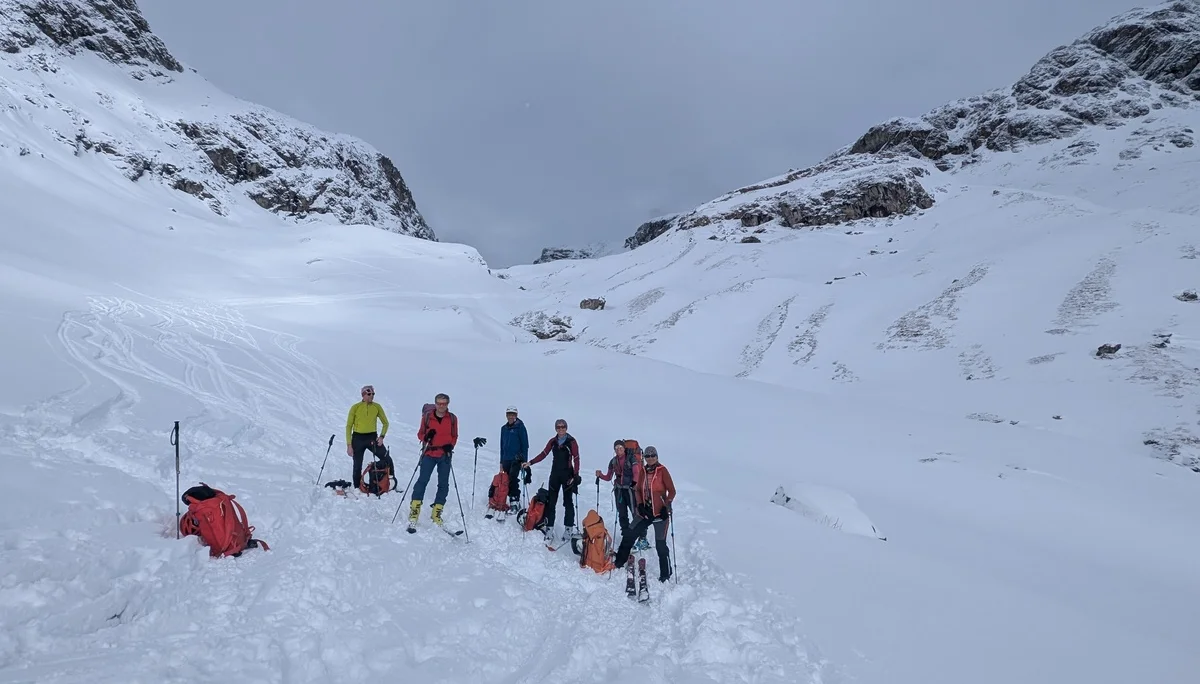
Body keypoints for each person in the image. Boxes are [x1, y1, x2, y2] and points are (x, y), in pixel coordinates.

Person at [613, 445, 676, 582]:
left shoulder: (662, 471)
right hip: (645, 512)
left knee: (661, 545)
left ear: (657, 456)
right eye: (648, 456)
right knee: (629, 534)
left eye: (653, 455)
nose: (650, 458)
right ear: (645, 458)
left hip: (660, 514)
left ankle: (665, 573)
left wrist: (667, 505)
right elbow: (637, 490)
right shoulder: (643, 471)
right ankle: (619, 562)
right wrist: (640, 505)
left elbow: (671, 491)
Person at [522, 418, 581, 541]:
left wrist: (575, 476)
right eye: (558, 427)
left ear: (566, 428)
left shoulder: (572, 442)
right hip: (555, 475)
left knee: (568, 502)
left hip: (567, 476)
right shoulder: (553, 441)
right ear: (555, 429)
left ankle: (569, 528)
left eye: (563, 427)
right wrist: (530, 463)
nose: (561, 429)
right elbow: (544, 454)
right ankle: (549, 528)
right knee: (552, 503)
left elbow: (576, 458)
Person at [408, 393, 459, 526]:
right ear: (435, 404)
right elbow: (420, 434)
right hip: (429, 454)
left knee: (443, 484)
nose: (441, 406)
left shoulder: (452, 418)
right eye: (439, 403)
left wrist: (450, 445)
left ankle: (437, 512)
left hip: (445, 455)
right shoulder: (427, 417)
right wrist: (426, 437)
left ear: (448, 404)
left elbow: (454, 436)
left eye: (444, 403)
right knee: (422, 481)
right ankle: (415, 510)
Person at [345, 385, 389, 489]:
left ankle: (389, 482)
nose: (372, 396)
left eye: (373, 394)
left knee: (387, 458)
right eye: (369, 394)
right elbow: (348, 426)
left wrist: (382, 437)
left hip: (372, 438)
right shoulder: (355, 407)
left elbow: (385, 423)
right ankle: (356, 487)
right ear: (363, 395)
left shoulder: (377, 407)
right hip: (357, 438)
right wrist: (349, 445)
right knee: (357, 465)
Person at [596, 439, 639, 541]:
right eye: (616, 448)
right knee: (622, 513)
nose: (618, 450)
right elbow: (609, 477)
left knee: (635, 512)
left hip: (630, 490)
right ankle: (626, 533)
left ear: (624, 448)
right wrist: (600, 475)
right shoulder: (613, 461)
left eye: (620, 448)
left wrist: (633, 484)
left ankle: (641, 535)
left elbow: (636, 472)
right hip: (619, 490)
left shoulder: (631, 459)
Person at [499, 406, 529, 507]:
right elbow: (502, 446)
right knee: (506, 479)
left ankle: (515, 500)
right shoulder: (504, 428)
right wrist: (501, 462)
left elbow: (525, 444)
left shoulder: (520, 427)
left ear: (516, 415)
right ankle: (507, 499)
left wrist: (524, 460)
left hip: (517, 458)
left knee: (513, 478)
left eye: (513, 414)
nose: (511, 416)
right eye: (509, 414)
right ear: (506, 415)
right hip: (506, 458)